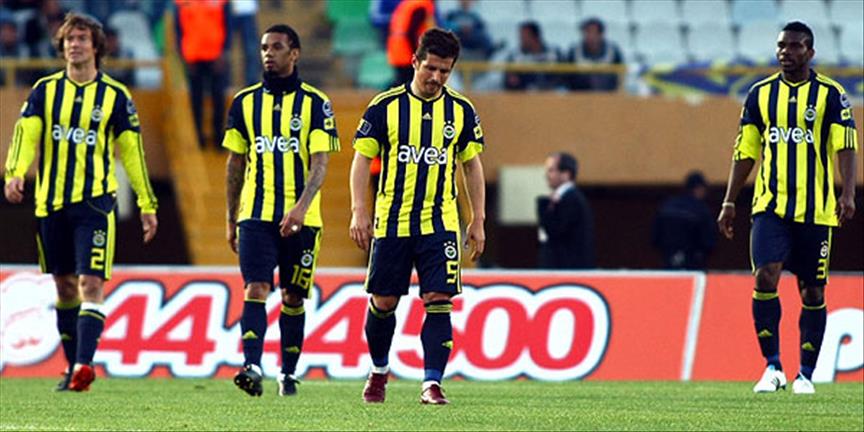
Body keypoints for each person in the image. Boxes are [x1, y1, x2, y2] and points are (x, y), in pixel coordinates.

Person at [2, 12, 159, 392]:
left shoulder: (115, 96)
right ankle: (72, 365)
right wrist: (15, 172)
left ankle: (84, 366)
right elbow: (27, 134)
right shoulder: (45, 90)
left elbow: (132, 152)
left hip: (95, 204)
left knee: (90, 281)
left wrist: (147, 201)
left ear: (96, 47)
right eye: (69, 39)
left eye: (82, 39)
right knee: (65, 287)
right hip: (51, 204)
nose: (74, 45)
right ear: (62, 46)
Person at [717, 21, 858, 395]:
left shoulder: (831, 95)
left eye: (795, 46)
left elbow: (846, 146)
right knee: (765, 276)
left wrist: (847, 193)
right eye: (781, 46)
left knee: (812, 291)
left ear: (810, 52)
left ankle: (806, 374)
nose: (786, 52)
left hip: (816, 210)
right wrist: (729, 200)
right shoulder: (760, 95)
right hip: (770, 206)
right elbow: (745, 151)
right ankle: (772, 367)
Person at [349, 28, 486, 405]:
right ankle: (379, 371)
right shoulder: (385, 106)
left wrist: (477, 219)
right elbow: (361, 159)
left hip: (440, 222)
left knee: (439, 299)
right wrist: (360, 210)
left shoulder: (461, 111)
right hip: (392, 221)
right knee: (384, 302)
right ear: (414, 62)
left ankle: (432, 383)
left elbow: (471, 166)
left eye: (445, 71)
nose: (436, 77)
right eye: (431, 68)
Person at [224, 24, 340, 398]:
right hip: (255, 215)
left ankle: (287, 373)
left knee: (293, 296)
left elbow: (320, 163)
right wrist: (230, 218)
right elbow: (234, 163)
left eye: (276, 47)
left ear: (295, 53)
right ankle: (252, 366)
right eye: (263, 48)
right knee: (255, 287)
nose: (268, 54)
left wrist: (300, 208)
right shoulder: (244, 102)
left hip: (303, 220)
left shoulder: (316, 103)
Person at [175, 0, 230, 149]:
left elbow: (228, 25)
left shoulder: (220, 2)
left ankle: (218, 137)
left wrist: (224, 52)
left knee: (218, 97)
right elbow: (178, 30)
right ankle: (198, 138)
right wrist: (184, 57)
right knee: (196, 100)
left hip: (215, 57)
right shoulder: (182, 2)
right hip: (193, 58)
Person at [536, 152, 594, 269]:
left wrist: (544, 206)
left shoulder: (571, 199)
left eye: (551, 170)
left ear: (566, 174)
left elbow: (554, 232)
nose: (547, 175)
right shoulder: (569, 198)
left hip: (565, 269)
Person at [652, 171, 716, 270]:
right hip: (693, 261)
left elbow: (655, 236)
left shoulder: (667, 205)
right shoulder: (701, 209)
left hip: (668, 258)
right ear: (698, 189)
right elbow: (708, 240)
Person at [562, 17, 623, 91]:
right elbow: (567, 77)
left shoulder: (613, 51)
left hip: (607, 94)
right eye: (587, 32)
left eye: (593, 32)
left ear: (601, 34)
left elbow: (621, 74)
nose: (590, 36)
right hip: (580, 94)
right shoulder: (574, 51)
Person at [387, 0, 435, 85]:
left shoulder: (410, 3)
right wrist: (417, 54)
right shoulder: (421, 6)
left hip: (398, 49)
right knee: (408, 83)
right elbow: (412, 32)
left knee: (402, 82)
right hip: (407, 51)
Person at [504, 21, 558, 91]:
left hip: (551, 94)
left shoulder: (553, 53)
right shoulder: (515, 56)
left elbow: (561, 78)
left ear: (536, 36)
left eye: (524, 36)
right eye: (521, 37)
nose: (521, 40)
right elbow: (510, 81)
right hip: (524, 95)